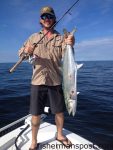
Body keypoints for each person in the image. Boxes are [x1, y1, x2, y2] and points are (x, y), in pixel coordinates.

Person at [19, 6, 75, 150]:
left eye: (49, 16)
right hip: (38, 81)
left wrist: (70, 44)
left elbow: (66, 54)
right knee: (35, 114)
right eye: (44, 17)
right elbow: (21, 53)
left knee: (59, 111)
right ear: (41, 20)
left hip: (56, 80)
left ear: (54, 19)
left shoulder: (60, 38)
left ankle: (60, 135)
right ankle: (33, 141)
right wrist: (26, 50)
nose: (47, 19)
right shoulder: (33, 37)